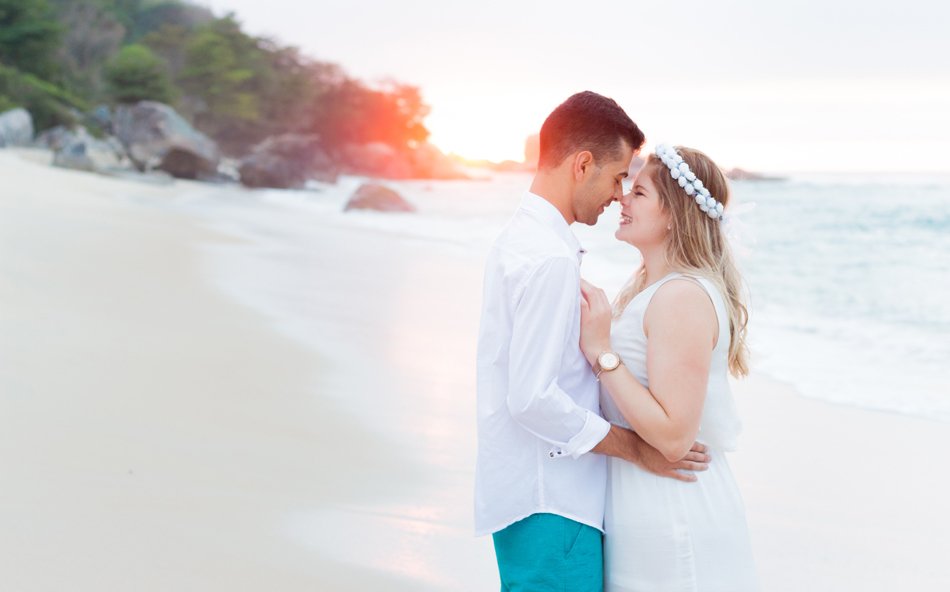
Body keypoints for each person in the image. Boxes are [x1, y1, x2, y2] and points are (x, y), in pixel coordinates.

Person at [474, 93, 710, 592]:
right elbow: (532, 398)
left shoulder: (527, 241)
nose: (618, 194)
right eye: (618, 175)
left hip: (535, 498)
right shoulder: (548, 258)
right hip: (552, 502)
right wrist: (637, 449)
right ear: (583, 165)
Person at [579, 144, 758, 591]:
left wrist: (602, 352)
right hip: (648, 507)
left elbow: (675, 437)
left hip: (676, 513)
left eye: (638, 193)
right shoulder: (654, 290)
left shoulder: (682, 297)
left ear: (674, 214)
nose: (622, 199)